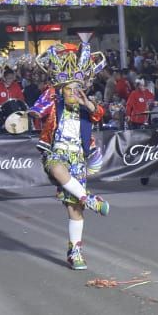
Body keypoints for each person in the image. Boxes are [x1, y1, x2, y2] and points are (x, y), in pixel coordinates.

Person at [29, 44, 113, 271]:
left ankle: (75, 252)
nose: (72, 93)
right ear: (61, 90)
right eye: (68, 90)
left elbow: (100, 115)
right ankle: (90, 199)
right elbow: (36, 109)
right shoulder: (53, 102)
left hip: (78, 157)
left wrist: (88, 103)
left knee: (74, 208)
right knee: (56, 168)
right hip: (56, 151)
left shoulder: (86, 107)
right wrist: (33, 113)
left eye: (77, 89)